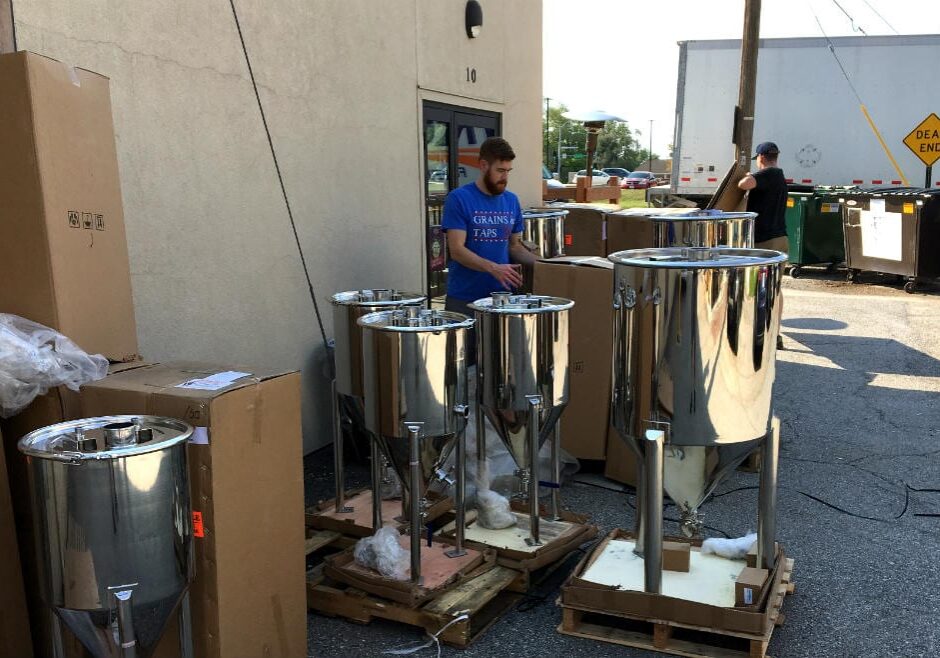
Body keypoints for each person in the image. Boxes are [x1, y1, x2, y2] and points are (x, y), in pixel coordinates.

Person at [442, 136, 535, 365]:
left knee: (499, 367)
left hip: (501, 301)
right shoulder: (459, 199)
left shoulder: (511, 201)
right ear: (483, 165)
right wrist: (493, 268)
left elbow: (514, 247)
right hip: (465, 299)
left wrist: (547, 266)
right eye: (500, 170)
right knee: (463, 367)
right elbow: (457, 250)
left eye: (508, 171)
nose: (505, 177)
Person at [738, 140, 788, 350]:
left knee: (762, 288)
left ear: (761, 158)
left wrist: (745, 176)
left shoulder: (769, 174)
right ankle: (774, 332)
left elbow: (744, 185)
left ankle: (765, 332)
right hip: (778, 238)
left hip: (766, 241)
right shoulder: (779, 176)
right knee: (773, 288)